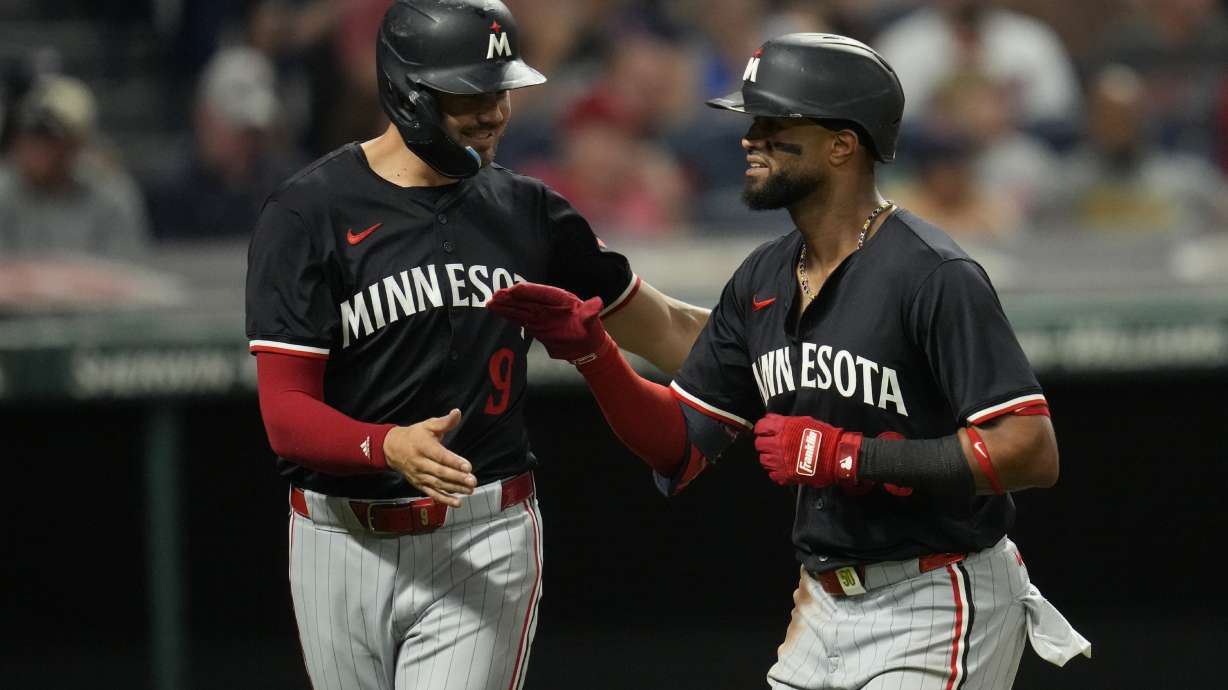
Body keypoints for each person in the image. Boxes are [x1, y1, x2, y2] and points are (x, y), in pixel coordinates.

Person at [489, 33, 1091, 688]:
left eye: (776, 124)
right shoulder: (763, 276)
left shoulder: (934, 274)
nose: (751, 137)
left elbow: (1031, 450)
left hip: (938, 588)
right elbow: (676, 446)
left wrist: (850, 456)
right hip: (824, 601)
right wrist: (595, 355)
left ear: (842, 144)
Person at [243, 2, 709, 689]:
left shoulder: (528, 211)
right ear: (407, 92)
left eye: (501, 91)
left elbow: (666, 329)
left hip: (481, 533)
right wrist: (388, 446)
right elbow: (286, 416)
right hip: (337, 538)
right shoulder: (308, 213)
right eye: (471, 95)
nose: (495, 112)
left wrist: (792, 355)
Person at [0, 74, 149, 258]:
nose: (34, 147)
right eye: (28, 133)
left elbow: (129, 271)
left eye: (49, 137)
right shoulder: (4, 191)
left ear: (76, 145)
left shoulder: (110, 195)